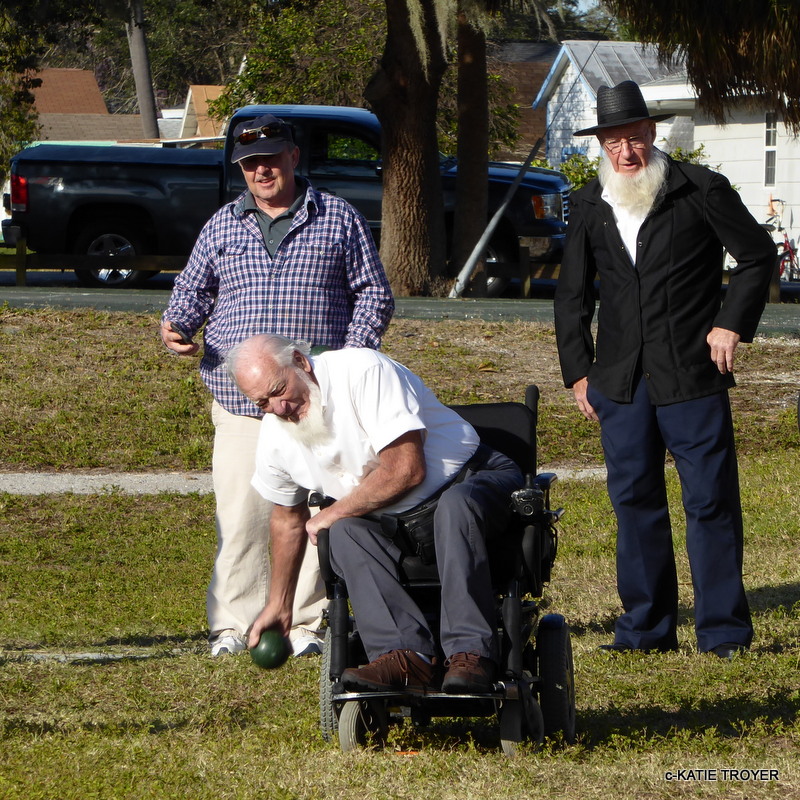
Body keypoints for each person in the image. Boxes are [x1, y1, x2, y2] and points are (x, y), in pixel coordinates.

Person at [554, 81, 775, 660]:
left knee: (709, 500)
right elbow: (572, 295)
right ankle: (646, 628)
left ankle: (723, 632)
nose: (626, 152)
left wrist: (730, 324)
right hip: (619, 381)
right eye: (613, 142)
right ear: (599, 144)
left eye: (634, 137)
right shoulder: (587, 203)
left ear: (651, 133)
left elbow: (756, 257)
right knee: (634, 500)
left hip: (691, 374)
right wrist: (578, 370)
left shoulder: (699, 189)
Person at [160, 114, 394, 658]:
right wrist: (175, 327)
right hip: (241, 403)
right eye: (249, 164)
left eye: (270, 158)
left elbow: (374, 296)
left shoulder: (338, 218)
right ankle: (232, 624)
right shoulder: (222, 226)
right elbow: (189, 294)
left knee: (315, 516)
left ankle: (310, 622)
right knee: (241, 516)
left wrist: (347, 360)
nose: (261, 170)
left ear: (293, 157)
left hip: (313, 405)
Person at [226, 333, 524, 693]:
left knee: (454, 507)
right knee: (347, 533)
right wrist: (279, 604)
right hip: (395, 521)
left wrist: (332, 513)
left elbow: (406, 469)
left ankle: (471, 654)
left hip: (472, 480)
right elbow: (287, 520)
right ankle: (404, 657)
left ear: (301, 363)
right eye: (262, 403)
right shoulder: (276, 436)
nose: (278, 409)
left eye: (279, 390)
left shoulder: (364, 371)